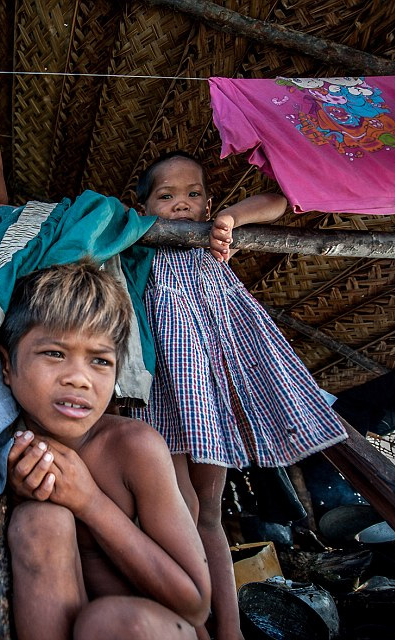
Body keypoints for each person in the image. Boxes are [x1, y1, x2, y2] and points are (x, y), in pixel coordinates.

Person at [129, 151, 348, 640]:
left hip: (206, 402)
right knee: (177, 514)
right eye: (165, 196)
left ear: (208, 203)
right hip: (161, 398)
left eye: (193, 195)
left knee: (208, 515)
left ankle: (228, 631)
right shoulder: (137, 246)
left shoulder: (214, 242)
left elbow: (279, 200)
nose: (181, 204)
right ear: (141, 206)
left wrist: (230, 218)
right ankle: (193, 622)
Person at [0, 261, 211, 640]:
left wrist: (90, 502)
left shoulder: (133, 449)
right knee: (40, 520)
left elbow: (195, 604)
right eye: (54, 353)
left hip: (154, 628)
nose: (78, 378)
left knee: (110, 622)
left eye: (99, 360)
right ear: (6, 366)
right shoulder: (0, 450)